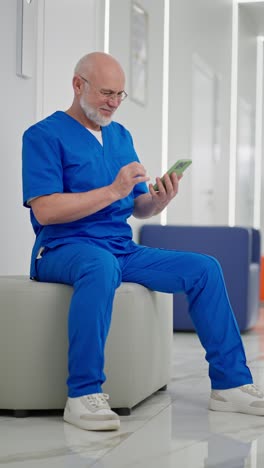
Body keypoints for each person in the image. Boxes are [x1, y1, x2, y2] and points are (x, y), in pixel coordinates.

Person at [22, 52, 264, 432]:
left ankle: (231, 384)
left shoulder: (121, 137)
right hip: (62, 248)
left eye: (120, 94)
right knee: (99, 266)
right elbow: (47, 210)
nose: (114, 103)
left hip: (120, 248)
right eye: (106, 92)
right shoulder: (42, 135)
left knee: (204, 268)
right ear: (77, 85)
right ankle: (83, 394)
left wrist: (159, 199)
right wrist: (112, 189)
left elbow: (138, 206)